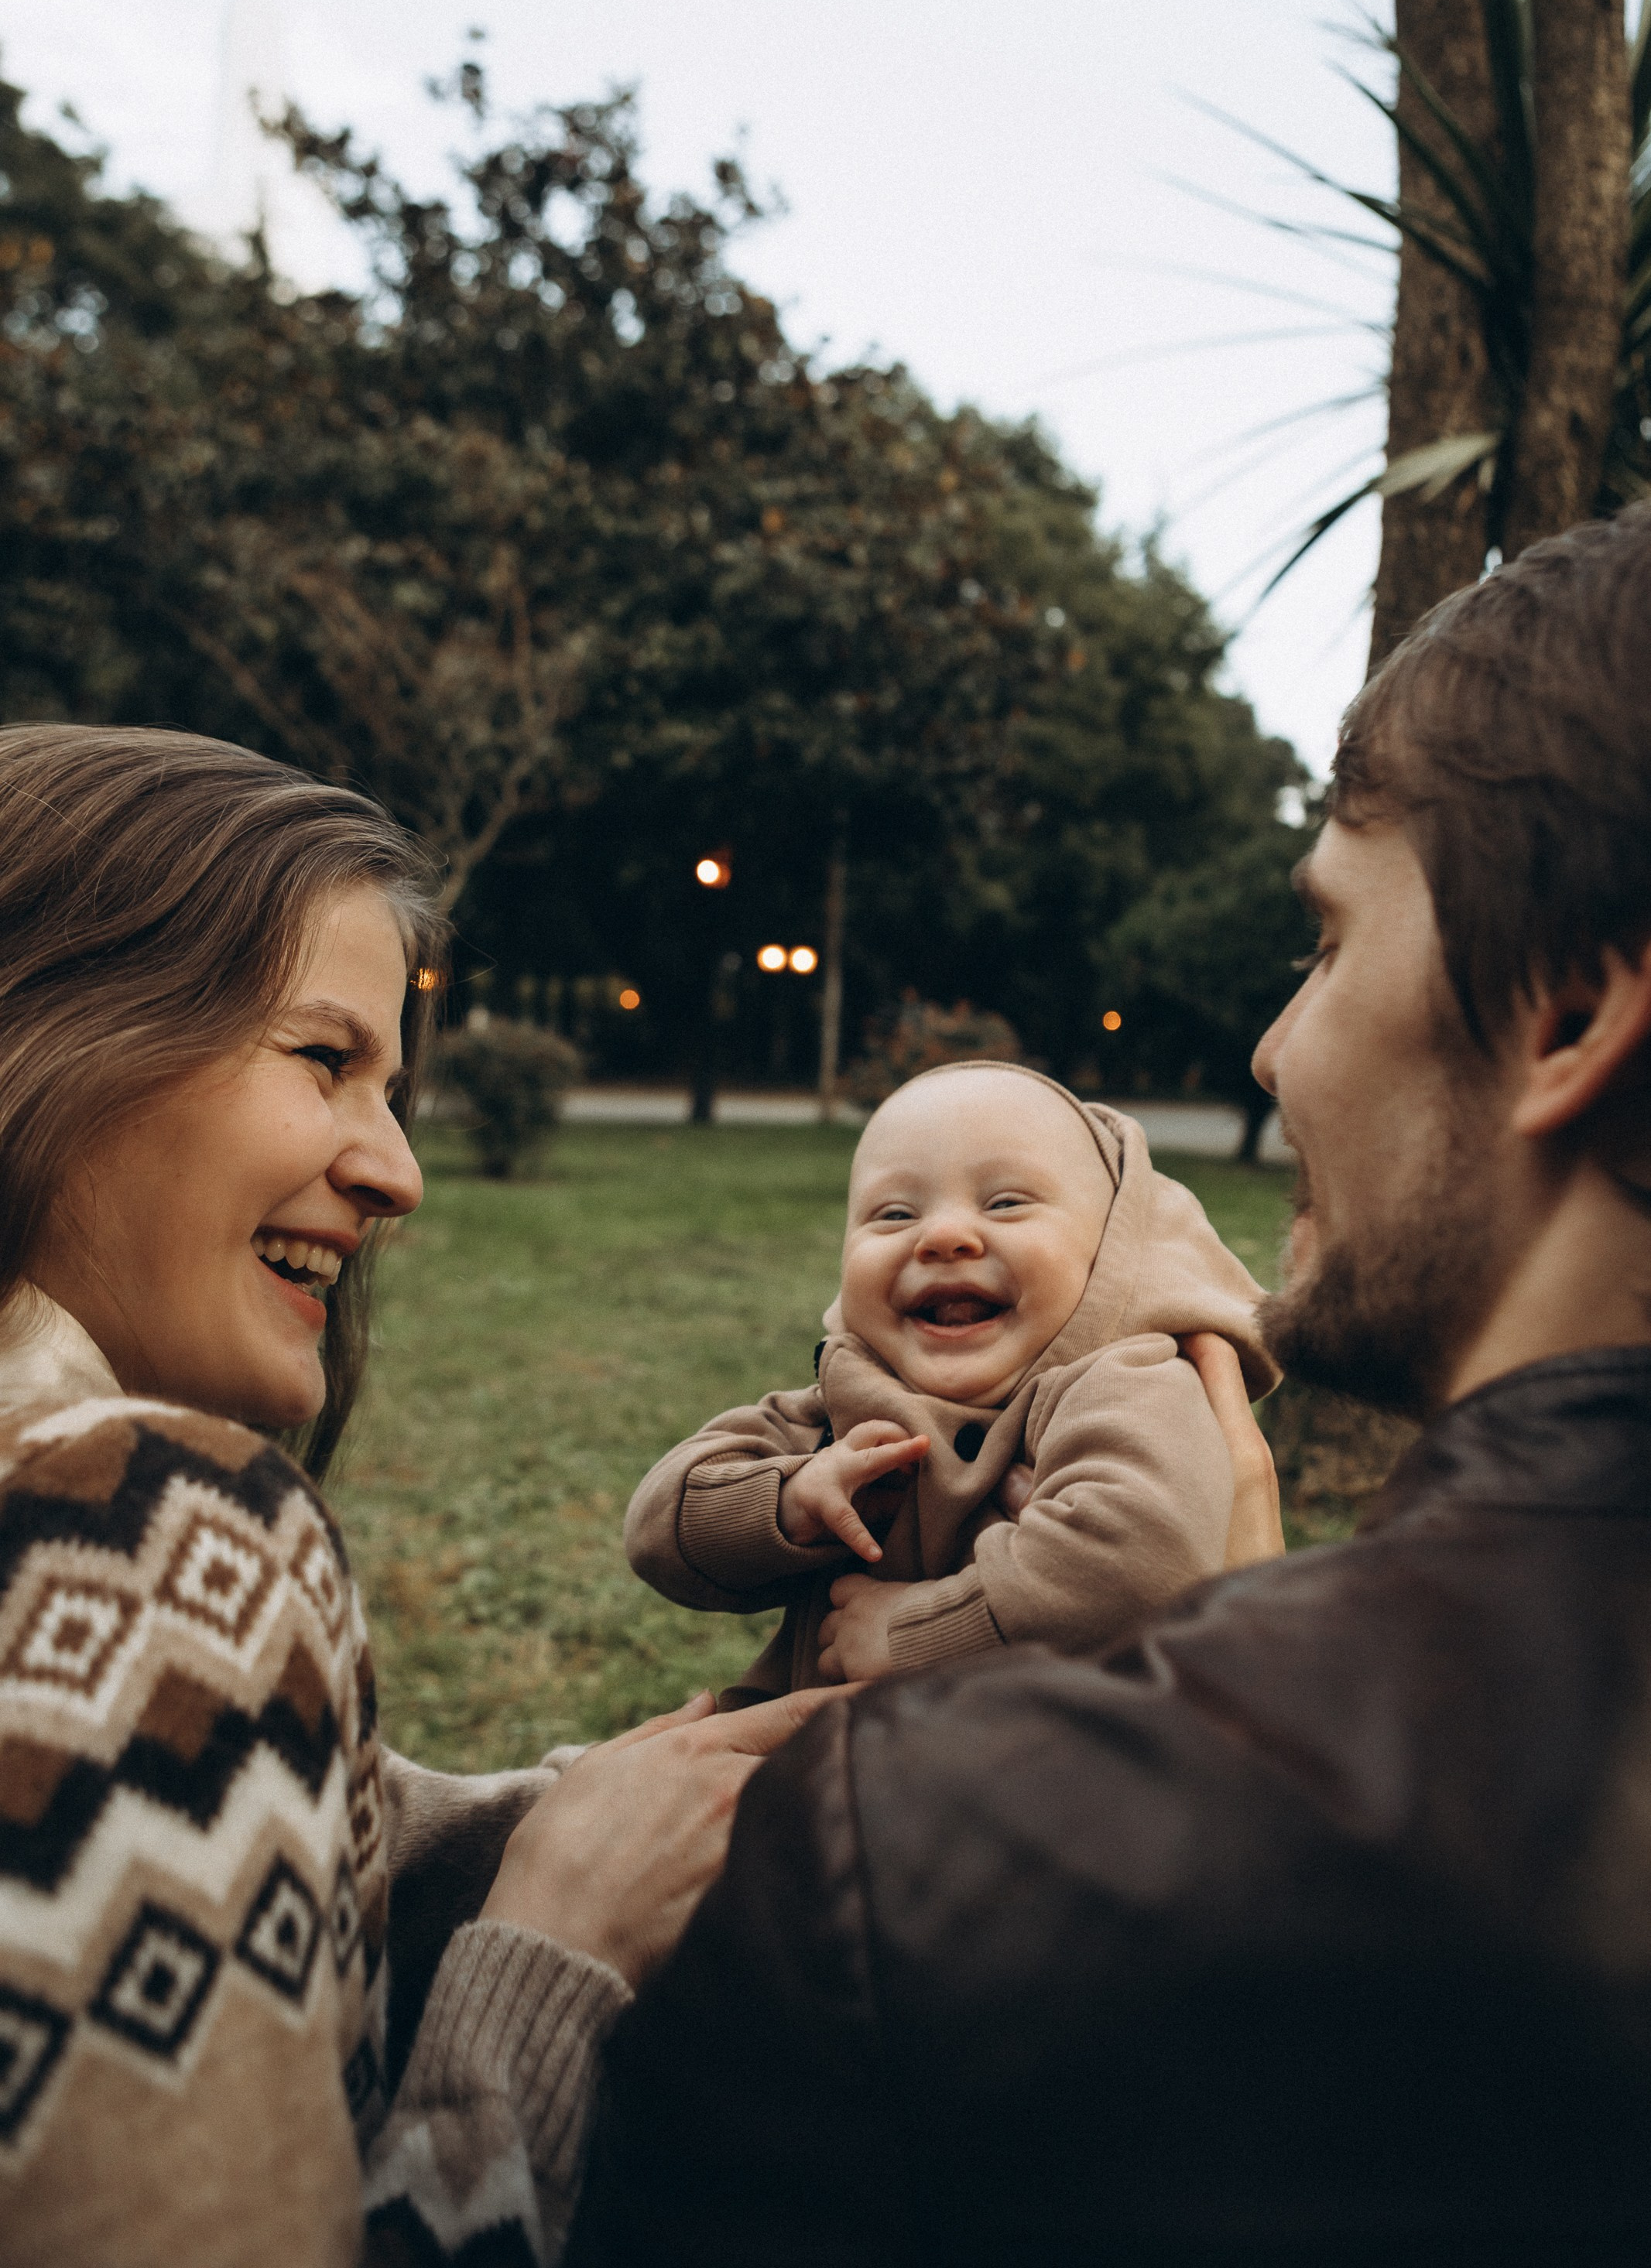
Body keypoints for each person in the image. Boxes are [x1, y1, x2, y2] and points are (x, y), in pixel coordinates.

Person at [570, 508, 1651, 2268]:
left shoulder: (901, 1865)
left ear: (1566, 1012)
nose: (1267, 1053)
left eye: (1319, 946)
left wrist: (532, 1973)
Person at [0, 724, 840, 2268]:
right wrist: (548, 1957)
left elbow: (248, 1838)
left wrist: (612, 1808)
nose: (397, 1173)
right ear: (54, 1031)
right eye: (324, 1058)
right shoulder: (125, 1530)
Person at [626, 1061, 1277, 1700]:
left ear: (1110, 1246)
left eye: (1006, 1203)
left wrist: (912, 1634)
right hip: (797, 1774)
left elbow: (1137, 1562)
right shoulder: (843, 1407)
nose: (941, 1236)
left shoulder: (1125, 1383)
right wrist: (793, 1501)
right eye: (892, 1215)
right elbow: (658, 1530)